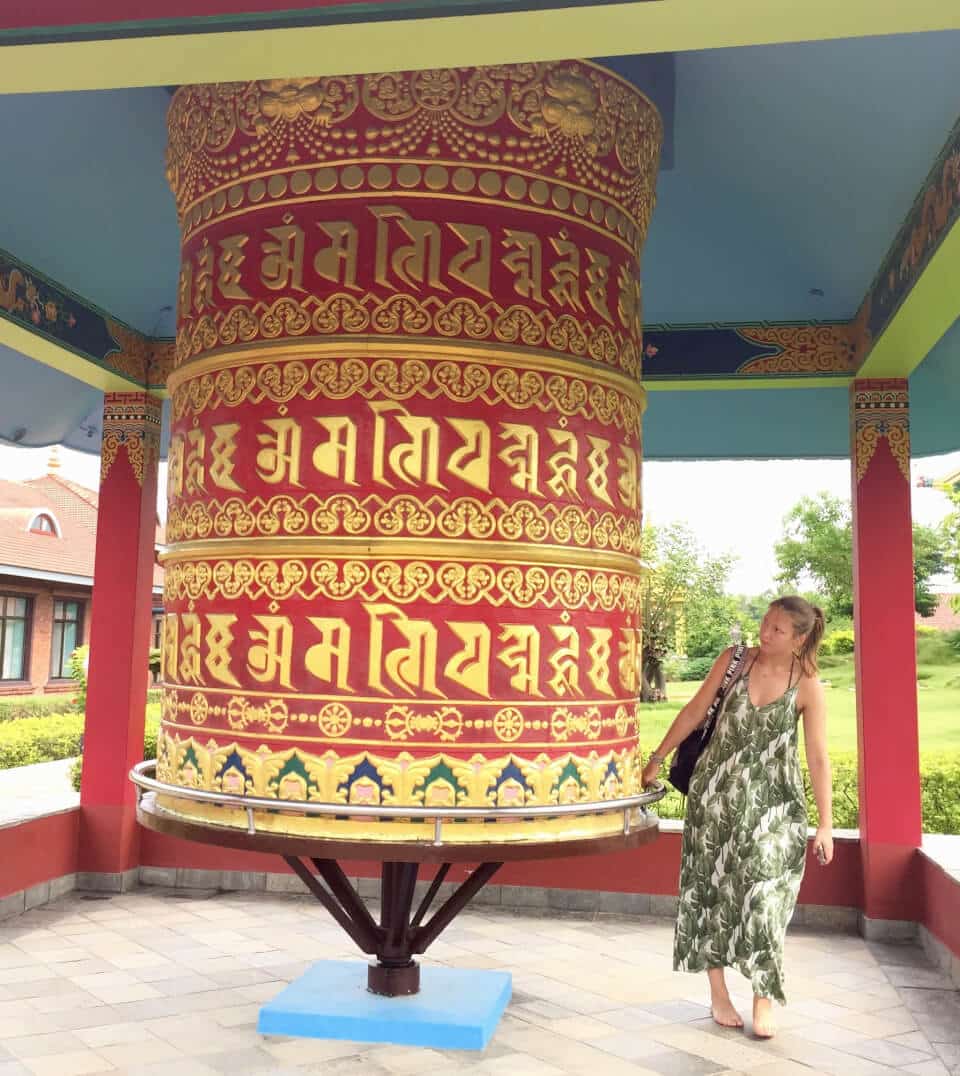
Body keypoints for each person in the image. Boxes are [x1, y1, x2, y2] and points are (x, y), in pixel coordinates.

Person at [641, 596, 833, 1040]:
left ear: (800, 639)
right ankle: (718, 992)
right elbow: (693, 711)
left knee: (766, 898)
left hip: (776, 807)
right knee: (709, 892)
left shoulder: (807, 684)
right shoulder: (734, 662)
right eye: (765, 624)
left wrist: (825, 823)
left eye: (778, 630)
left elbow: (819, 757)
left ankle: (763, 996)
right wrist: (657, 757)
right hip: (716, 799)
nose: (765, 634)